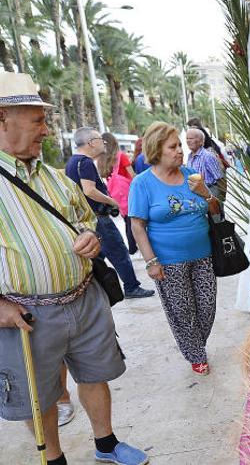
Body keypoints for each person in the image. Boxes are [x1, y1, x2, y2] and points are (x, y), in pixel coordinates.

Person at [0, 72, 148, 465]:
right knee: (42, 394)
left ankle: (106, 445)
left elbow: (85, 219)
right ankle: (55, 459)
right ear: (2, 119)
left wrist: (90, 237)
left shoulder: (53, 177)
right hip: (27, 314)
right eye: (38, 121)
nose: (47, 131)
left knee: (95, 375)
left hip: (84, 299)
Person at [129, 122, 221, 375]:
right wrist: (150, 261)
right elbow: (137, 225)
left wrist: (206, 193)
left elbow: (215, 211)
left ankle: (194, 345)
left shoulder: (191, 174)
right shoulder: (142, 183)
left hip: (203, 255)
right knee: (182, 311)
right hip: (168, 261)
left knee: (206, 307)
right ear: (156, 150)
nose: (180, 150)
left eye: (179, 145)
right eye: (173, 146)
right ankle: (195, 354)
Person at [65, 127, 154, 299]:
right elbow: (89, 190)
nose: (103, 142)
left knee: (98, 256)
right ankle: (131, 287)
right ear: (91, 143)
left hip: (86, 218)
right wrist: (111, 201)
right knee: (118, 251)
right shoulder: (85, 162)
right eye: (100, 139)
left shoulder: (72, 162)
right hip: (98, 217)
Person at [99, 132, 138, 255]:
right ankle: (132, 247)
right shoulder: (121, 156)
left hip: (115, 195)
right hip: (127, 193)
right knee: (132, 221)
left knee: (127, 220)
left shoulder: (102, 160)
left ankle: (132, 246)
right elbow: (133, 176)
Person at [187, 118, 228, 201]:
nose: (188, 141)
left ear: (201, 141)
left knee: (215, 213)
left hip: (211, 192)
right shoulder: (189, 156)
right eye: (187, 139)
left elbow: (220, 179)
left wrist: (220, 200)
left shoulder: (207, 156)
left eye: (191, 139)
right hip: (197, 195)